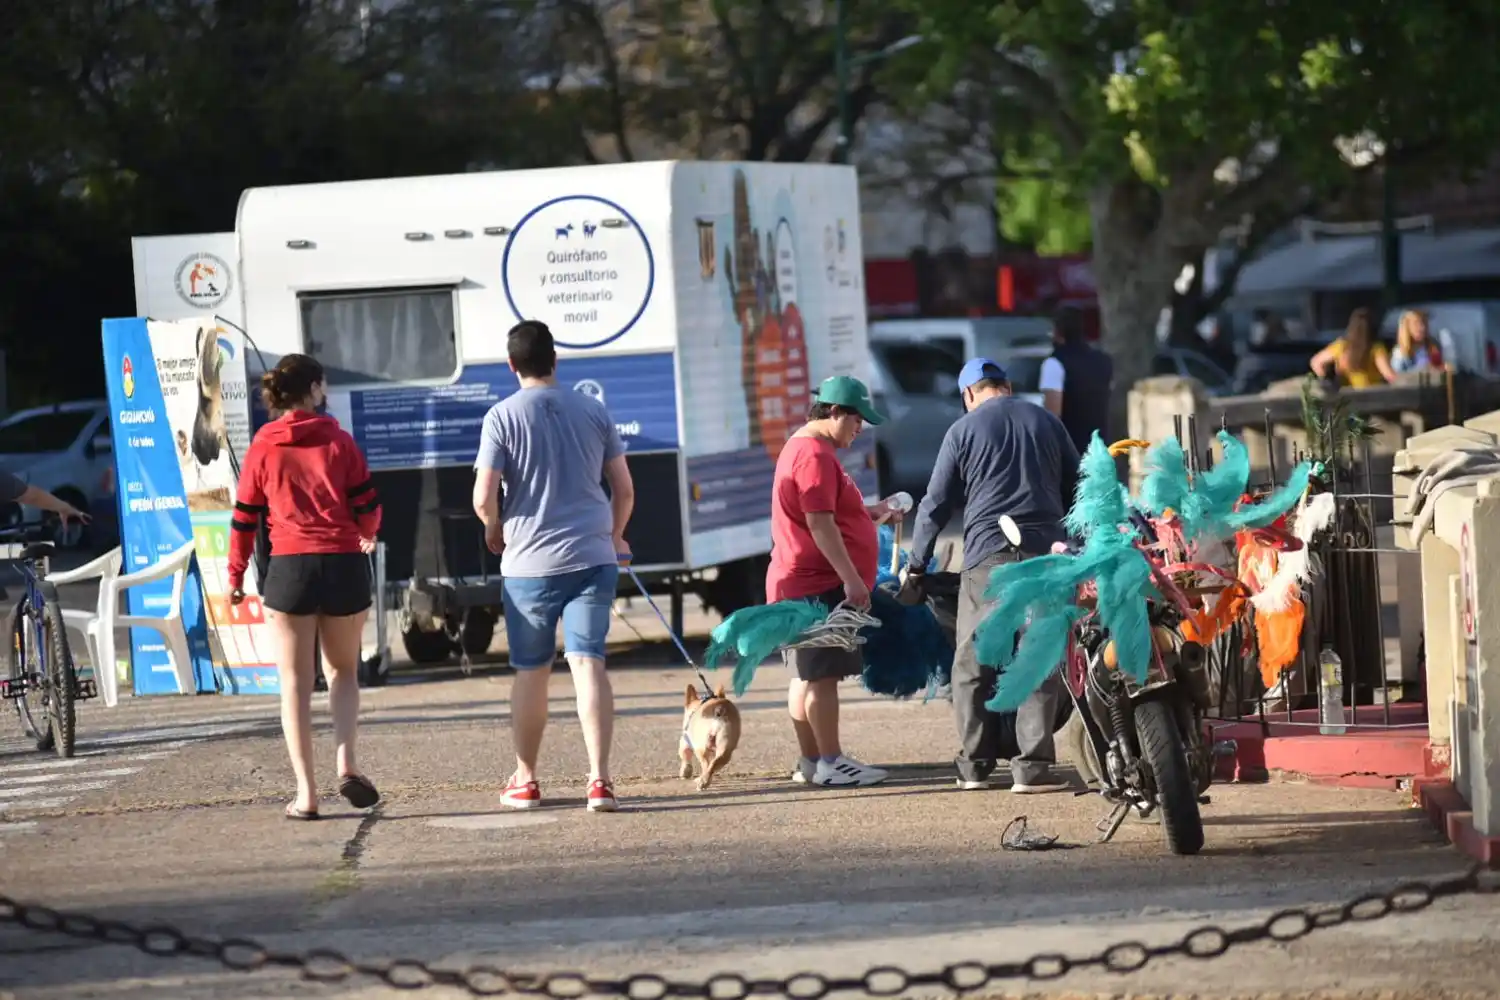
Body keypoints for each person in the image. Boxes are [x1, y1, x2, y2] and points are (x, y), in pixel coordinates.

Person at [473, 320, 635, 813]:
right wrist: (614, 535)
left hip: (529, 564)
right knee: (589, 664)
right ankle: (600, 782)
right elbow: (624, 490)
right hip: (592, 557)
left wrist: (493, 530)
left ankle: (525, 781)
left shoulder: (500, 417)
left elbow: (484, 497)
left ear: (511, 365)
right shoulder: (594, 410)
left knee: (531, 673)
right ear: (555, 361)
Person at [900, 358, 1080, 794]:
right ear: (1008, 387)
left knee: (972, 662)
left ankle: (975, 767)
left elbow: (936, 503)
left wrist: (917, 563)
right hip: (1045, 555)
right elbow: (1080, 485)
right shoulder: (1047, 421)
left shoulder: (963, 430)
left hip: (989, 559)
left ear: (968, 394)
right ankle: (1033, 769)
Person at [228, 354, 382, 821]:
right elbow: (368, 507)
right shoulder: (340, 441)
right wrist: (366, 531)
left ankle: (306, 794)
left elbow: (244, 519)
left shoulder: (263, 445)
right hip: (342, 565)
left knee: (294, 684)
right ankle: (347, 762)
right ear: (314, 389)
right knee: (343, 674)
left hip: (290, 568)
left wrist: (235, 576)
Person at [769, 375, 901, 788]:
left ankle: (811, 760)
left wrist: (872, 511)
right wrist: (852, 580)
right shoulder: (814, 456)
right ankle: (830, 761)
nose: (860, 428)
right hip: (816, 584)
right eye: (857, 419)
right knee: (822, 677)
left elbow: (830, 512)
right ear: (834, 412)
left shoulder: (807, 447)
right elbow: (820, 524)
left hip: (797, 583)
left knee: (806, 675)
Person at [1038, 309, 1113, 456]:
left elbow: (1053, 415)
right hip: (1099, 448)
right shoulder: (1103, 361)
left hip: (1070, 451)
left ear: (1058, 332)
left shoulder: (1054, 363)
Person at [1310, 307, 1395, 387]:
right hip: (1370, 396)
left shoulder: (1342, 346)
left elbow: (1316, 362)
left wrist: (1327, 380)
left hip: (1345, 397)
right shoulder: (1376, 349)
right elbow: (1388, 374)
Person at [1390, 309, 1450, 374]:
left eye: (1424, 322)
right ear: (1407, 326)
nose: (1422, 327)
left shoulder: (1433, 347)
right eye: (1416, 323)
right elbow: (1398, 380)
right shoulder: (1400, 354)